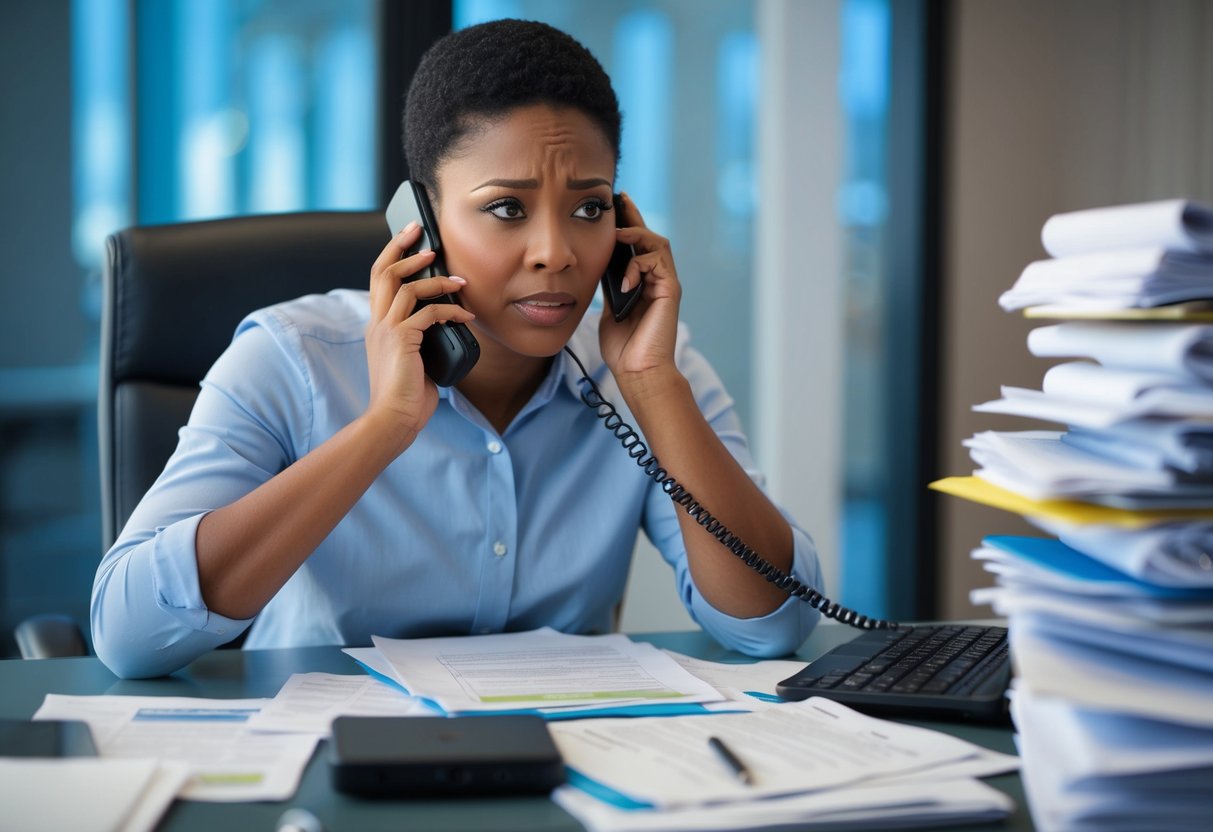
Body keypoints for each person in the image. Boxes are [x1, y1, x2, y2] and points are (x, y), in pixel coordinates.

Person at [90, 19, 824, 679]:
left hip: (572, 766)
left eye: (589, 207)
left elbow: (774, 626)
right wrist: (384, 427)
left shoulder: (640, 365)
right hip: (333, 763)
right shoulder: (292, 358)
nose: (556, 252)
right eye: (506, 208)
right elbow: (126, 635)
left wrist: (654, 387)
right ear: (423, 222)